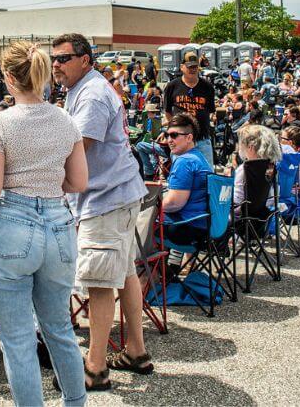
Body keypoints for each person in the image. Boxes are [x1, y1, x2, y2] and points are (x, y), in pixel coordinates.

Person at [0, 40, 88, 406]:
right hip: (58, 224)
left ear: (8, 77)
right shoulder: (65, 120)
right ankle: (75, 401)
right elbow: (78, 182)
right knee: (60, 330)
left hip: (10, 224)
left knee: (18, 339)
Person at [50, 33, 151, 392]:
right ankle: (135, 351)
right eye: (54, 59)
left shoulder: (92, 93)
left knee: (98, 282)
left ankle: (94, 368)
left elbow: (79, 147)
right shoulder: (85, 89)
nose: (56, 65)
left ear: (85, 60)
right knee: (123, 275)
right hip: (115, 195)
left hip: (106, 199)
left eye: (63, 58)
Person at [160, 113, 212, 248]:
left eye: (174, 135)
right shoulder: (199, 157)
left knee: (140, 218)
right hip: (204, 224)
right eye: (167, 135)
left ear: (189, 137)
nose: (169, 140)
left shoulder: (184, 161)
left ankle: (146, 267)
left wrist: (150, 207)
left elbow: (174, 204)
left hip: (187, 227)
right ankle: (172, 266)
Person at [162, 52, 217, 168]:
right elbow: (167, 111)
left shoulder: (207, 87)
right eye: (189, 67)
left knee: (207, 176)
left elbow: (211, 111)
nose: (192, 69)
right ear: (182, 67)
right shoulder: (172, 86)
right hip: (180, 140)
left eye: (195, 67)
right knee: (181, 173)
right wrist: (175, 131)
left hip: (202, 139)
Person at [231, 124, 283, 219]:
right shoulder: (271, 166)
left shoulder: (245, 169)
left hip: (241, 218)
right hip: (263, 217)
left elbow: (236, 199)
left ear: (250, 147)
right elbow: (273, 195)